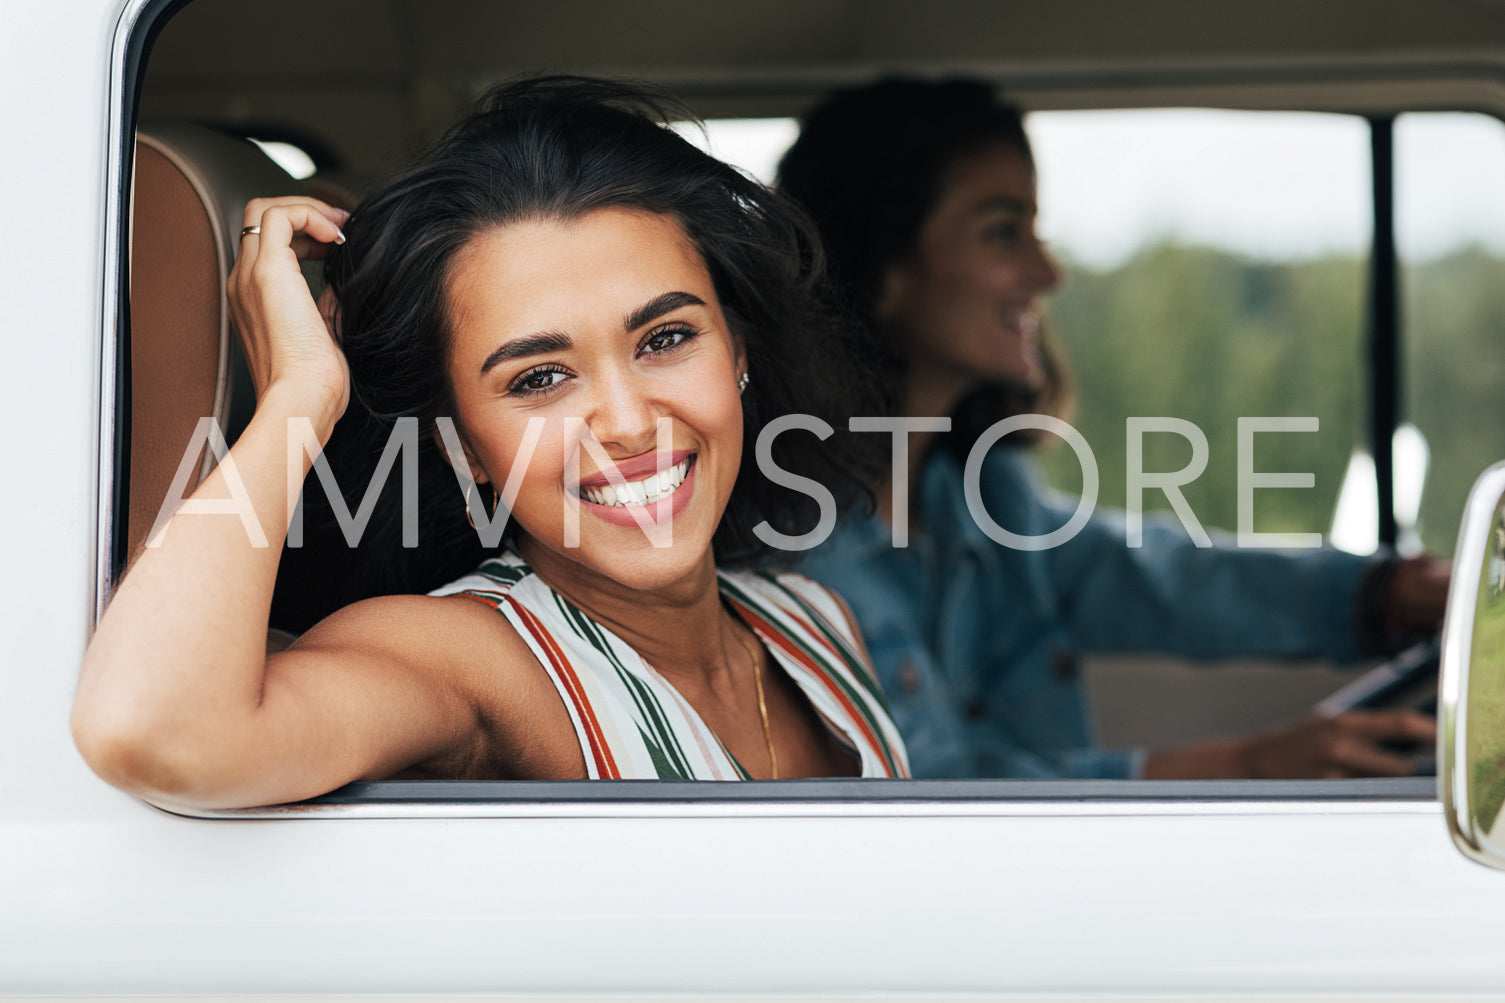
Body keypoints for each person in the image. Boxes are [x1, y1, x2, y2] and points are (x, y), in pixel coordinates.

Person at [72, 77, 908, 809]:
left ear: (739, 353)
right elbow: (155, 732)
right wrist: (299, 396)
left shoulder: (814, 620)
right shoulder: (473, 658)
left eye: (664, 339)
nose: (624, 420)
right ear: (461, 446)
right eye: (538, 378)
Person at [778, 76, 1446, 780]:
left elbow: (1162, 577)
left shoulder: (983, 497)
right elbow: (930, 797)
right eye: (1003, 232)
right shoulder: (796, 549)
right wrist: (1247, 762)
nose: (1047, 272)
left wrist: (1389, 593)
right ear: (882, 265)